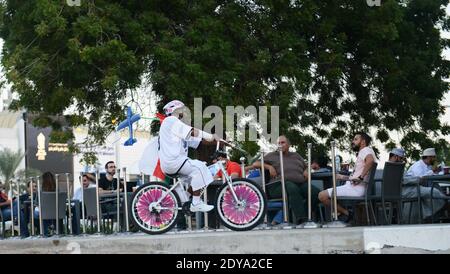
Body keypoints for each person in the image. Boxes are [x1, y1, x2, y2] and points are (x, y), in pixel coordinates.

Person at [158, 100, 221, 212]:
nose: (185, 112)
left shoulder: (178, 128)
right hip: (174, 162)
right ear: (175, 110)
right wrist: (210, 136)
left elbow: (199, 142)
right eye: (182, 110)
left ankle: (186, 198)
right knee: (200, 168)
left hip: (175, 163)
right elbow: (193, 132)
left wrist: (218, 141)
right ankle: (196, 203)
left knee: (203, 173)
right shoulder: (170, 120)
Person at [252, 135, 320, 224]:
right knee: (292, 187)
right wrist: (269, 167)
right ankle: (302, 220)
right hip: (278, 186)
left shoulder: (296, 155)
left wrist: (307, 170)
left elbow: (306, 166)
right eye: (278, 143)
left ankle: (306, 215)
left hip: (299, 183)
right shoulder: (272, 155)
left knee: (316, 193)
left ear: (289, 145)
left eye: (283, 142)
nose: (280, 145)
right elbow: (255, 164)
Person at [318, 132, 378, 223]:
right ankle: (343, 214)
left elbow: (370, 161)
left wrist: (361, 178)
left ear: (363, 142)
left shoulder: (365, 150)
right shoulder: (364, 152)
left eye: (356, 139)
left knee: (322, 195)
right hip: (354, 186)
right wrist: (342, 177)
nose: (352, 141)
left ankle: (346, 213)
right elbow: (355, 177)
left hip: (356, 189)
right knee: (328, 195)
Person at [396, 148, 447, 222]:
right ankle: (445, 204)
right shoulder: (418, 166)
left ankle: (442, 207)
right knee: (434, 191)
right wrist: (432, 171)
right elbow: (420, 179)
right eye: (434, 157)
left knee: (435, 187)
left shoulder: (428, 166)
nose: (435, 159)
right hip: (411, 188)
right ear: (429, 157)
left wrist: (435, 170)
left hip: (418, 187)